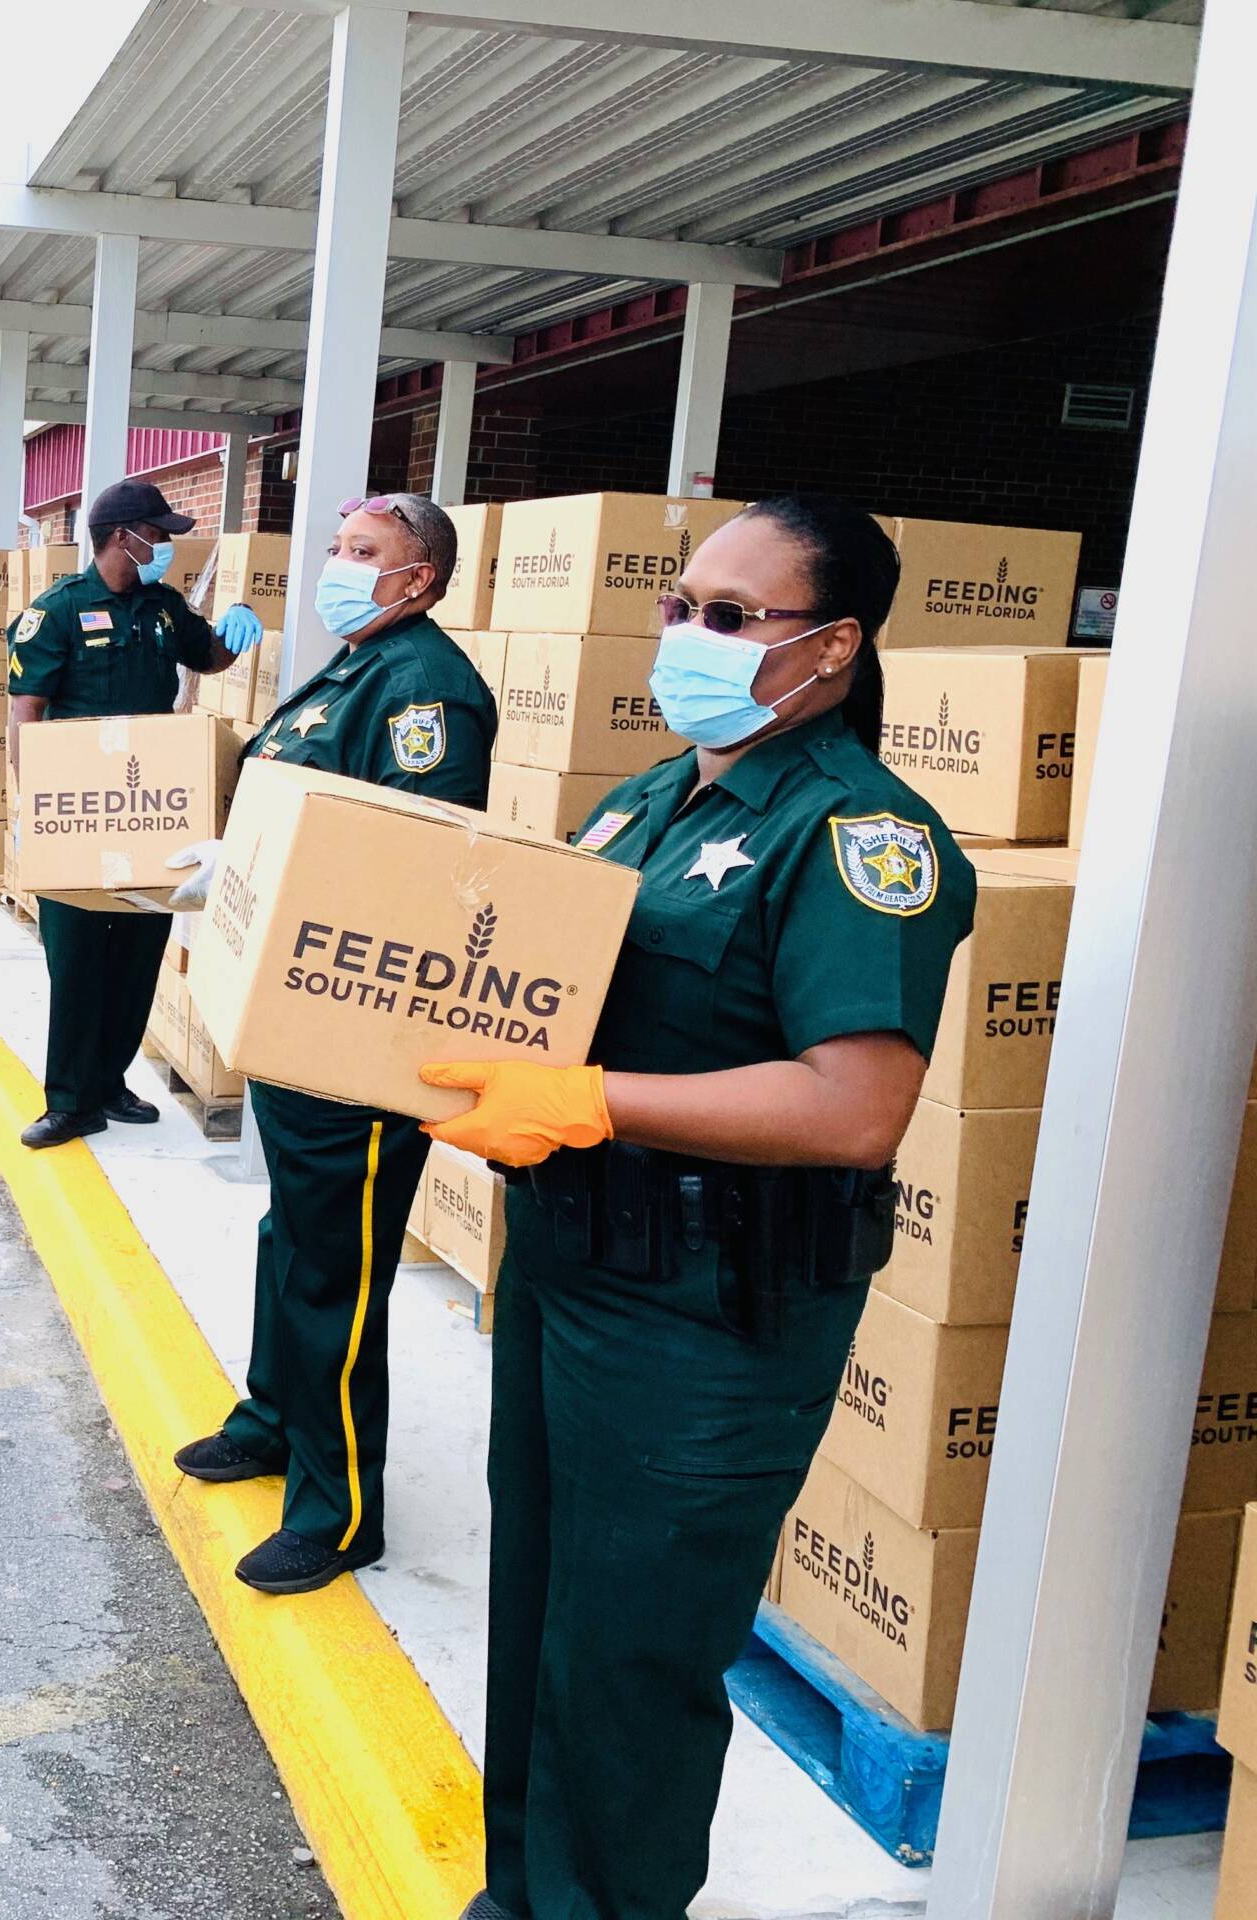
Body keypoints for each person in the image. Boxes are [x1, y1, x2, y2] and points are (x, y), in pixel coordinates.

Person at [419, 496, 975, 1920]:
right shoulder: (653, 798)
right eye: (679, 607)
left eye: (733, 618)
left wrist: (599, 1101)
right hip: (572, 1271)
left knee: (632, 1661)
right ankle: (526, 1893)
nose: (689, 636)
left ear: (834, 645)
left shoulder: (865, 837)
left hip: (708, 1322)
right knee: (545, 1611)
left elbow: (856, 1104)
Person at [168, 493, 499, 1594]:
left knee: (337, 1272)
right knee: (292, 1236)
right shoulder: (359, 666)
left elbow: (411, 858)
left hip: (356, 1031)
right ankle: (273, 1418)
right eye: (338, 547)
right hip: (301, 1013)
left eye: (364, 553)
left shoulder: (426, 688)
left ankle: (339, 1504)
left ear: (418, 579)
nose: (337, 565)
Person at [6, 478, 254, 1149]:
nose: (167, 546)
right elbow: (26, 712)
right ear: (124, 536)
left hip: (150, 809)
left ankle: (110, 1083)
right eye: (159, 534)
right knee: (78, 961)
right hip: (82, 813)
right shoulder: (55, 613)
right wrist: (39, 809)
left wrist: (235, 632)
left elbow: (210, 654)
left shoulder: (164, 608)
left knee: (137, 955)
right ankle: (69, 1101)